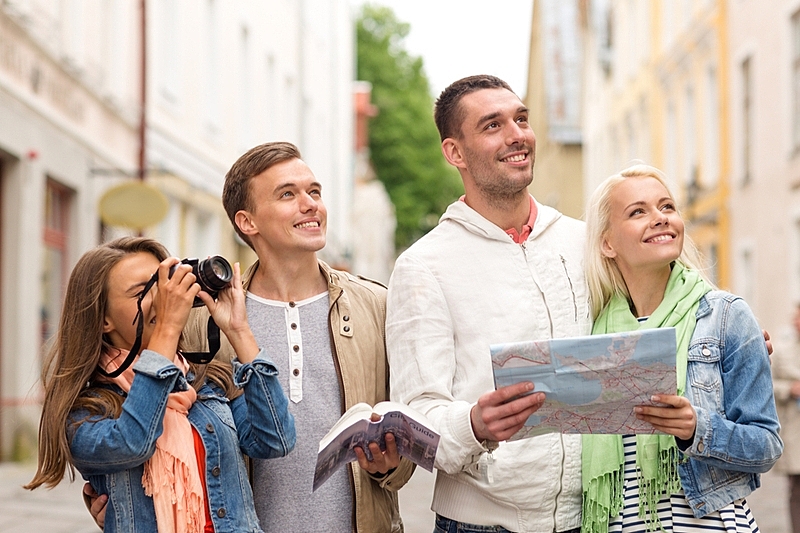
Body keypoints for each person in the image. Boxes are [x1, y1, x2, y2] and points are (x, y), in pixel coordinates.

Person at [386, 74, 588, 533]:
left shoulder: (583, 241)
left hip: (594, 517)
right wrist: (475, 424)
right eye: (493, 125)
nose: (517, 135)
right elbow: (418, 418)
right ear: (455, 152)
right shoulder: (423, 266)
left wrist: (722, 338)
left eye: (521, 119)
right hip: (482, 526)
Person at [195, 141, 414, 531]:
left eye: (314, 192)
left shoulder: (376, 305)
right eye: (288, 194)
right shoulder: (207, 322)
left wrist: (392, 465)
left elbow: (411, 431)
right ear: (248, 222)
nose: (311, 204)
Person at [25, 236, 296, 533]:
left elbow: (275, 441)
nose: (163, 298)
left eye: (162, 284)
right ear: (104, 320)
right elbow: (135, 440)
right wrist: (167, 329)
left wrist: (239, 330)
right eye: (142, 291)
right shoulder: (85, 413)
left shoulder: (207, 384)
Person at [581, 164, 782, 532]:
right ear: (607, 243)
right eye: (638, 211)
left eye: (667, 207)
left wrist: (696, 429)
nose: (660, 218)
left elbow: (767, 444)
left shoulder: (726, 316)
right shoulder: (588, 334)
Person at [771, 304, 800, 533]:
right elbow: (768, 386)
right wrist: (790, 389)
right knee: (797, 488)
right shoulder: (782, 352)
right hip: (795, 429)